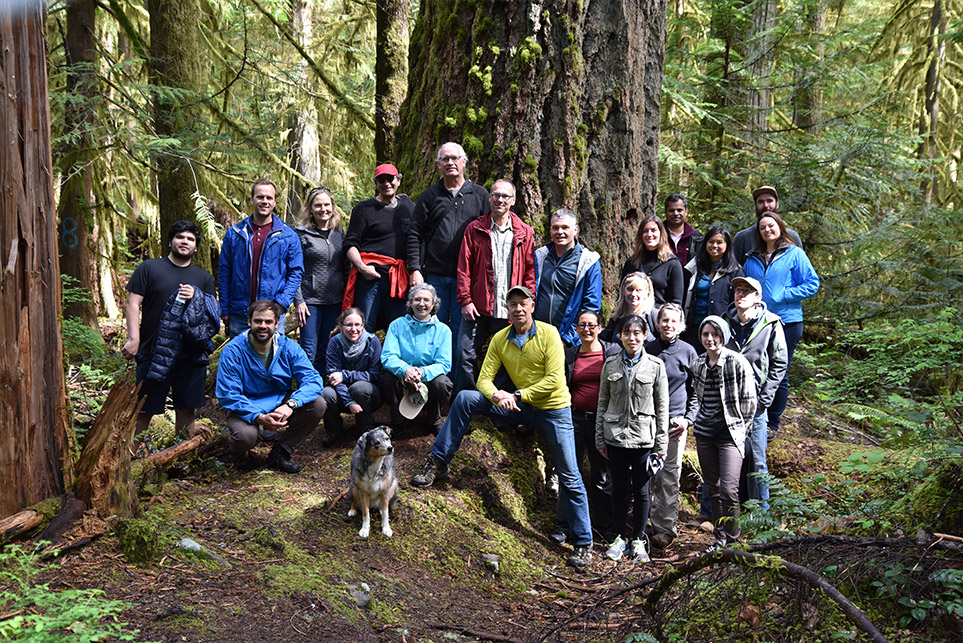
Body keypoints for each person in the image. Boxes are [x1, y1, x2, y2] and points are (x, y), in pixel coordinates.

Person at [411, 286, 595, 569]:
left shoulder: (549, 335)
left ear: (532, 306)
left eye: (523, 304)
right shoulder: (501, 338)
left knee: (569, 473)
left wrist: (517, 395)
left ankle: (583, 542)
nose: (518, 309)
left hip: (552, 410)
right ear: (507, 310)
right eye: (513, 305)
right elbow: (484, 378)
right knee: (465, 398)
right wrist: (497, 395)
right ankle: (438, 462)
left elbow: (554, 382)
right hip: (515, 405)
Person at [122, 221, 218, 441]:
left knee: (186, 408)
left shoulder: (203, 278)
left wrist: (198, 297)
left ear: (195, 247)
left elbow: (212, 314)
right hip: (153, 351)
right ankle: (129, 461)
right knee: (144, 409)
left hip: (191, 353)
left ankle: (180, 460)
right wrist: (133, 339)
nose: (185, 242)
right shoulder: (149, 268)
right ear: (170, 241)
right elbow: (133, 304)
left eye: (190, 239)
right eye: (180, 237)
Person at [215, 300, 326, 473]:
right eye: (258, 321)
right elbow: (229, 394)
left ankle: (281, 452)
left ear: (276, 324)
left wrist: (291, 405)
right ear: (249, 322)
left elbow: (313, 380)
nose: (263, 326)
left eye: (268, 322)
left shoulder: (288, 347)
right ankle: (242, 456)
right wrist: (259, 417)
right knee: (245, 436)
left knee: (318, 404)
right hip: (247, 405)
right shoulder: (233, 351)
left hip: (280, 401)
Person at [596, 315, 669, 564]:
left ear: (646, 336)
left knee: (641, 491)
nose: (632, 338)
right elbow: (602, 402)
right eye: (627, 333)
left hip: (643, 439)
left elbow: (662, 408)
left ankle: (638, 540)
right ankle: (619, 538)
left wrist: (661, 445)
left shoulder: (656, 366)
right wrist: (600, 438)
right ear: (621, 336)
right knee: (618, 489)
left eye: (637, 333)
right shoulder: (610, 364)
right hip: (615, 437)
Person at [407, 142, 491, 353]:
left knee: (461, 333)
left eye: (455, 158)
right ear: (438, 165)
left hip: (468, 279)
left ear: (464, 162)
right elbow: (414, 233)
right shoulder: (429, 196)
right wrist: (414, 269)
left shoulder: (480, 195)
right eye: (445, 159)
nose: (450, 163)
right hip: (435, 276)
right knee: (432, 330)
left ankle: (456, 381)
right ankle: (435, 380)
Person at [743, 211, 819, 437]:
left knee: (779, 371)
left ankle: (773, 422)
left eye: (771, 226)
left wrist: (784, 294)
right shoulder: (752, 258)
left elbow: (812, 284)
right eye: (763, 227)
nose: (768, 230)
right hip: (759, 321)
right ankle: (753, 416)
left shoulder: (795, 253)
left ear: (780, 227)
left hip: (787, 321)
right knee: (756, 369)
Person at [683, 316, 757, 550]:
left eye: (715, 334)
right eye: (705, 334)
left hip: (730, 435)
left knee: (729, 489)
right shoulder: (698, 363)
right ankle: (720, 538)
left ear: (723, 336)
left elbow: (749, 402)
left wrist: (741, 429)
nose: (710, 339)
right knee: (712, 488)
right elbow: (696, 395)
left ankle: (734, 542)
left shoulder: (737, 362)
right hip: (705, 434)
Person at [456, 178, 535, 390]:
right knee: (465, 353)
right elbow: (464, 268)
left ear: (513, 200)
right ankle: (469, 400)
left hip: (510, 309)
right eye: (496, 195)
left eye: (505, 196)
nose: (500, 200)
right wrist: (465, 300)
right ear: (490, 198)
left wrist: (527, 303)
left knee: (508, 361)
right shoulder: (475, 229)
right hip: (478, 307)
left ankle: (498, 406)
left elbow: (529, 271)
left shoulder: (524, 232)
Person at [550, 310, 621, 545]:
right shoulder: (570, 355)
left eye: (591, 325)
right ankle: (564, 525)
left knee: (601, 476)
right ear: (577, 329)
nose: (587, 329)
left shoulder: (612, 352)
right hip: (574, 420)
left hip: (603, 423)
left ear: (599, 328)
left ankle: (604, 527)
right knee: (570, 473)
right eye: (582, 325)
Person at [724, 277, 788, 509]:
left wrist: (765, 398)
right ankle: (715, 510)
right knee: (725, 457)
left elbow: (780, 363)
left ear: (757, 297)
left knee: (758, 460)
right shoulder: (725, 321)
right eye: (738, 290)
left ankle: (763, 512)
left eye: (747, 291)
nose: (740, 295)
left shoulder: (771, 323)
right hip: (728, 402)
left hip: (757, 403)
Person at [219, 179, 304, 337]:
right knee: (240, 360)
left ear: (274, 202)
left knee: (271, 360)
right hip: (240, 313)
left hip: (271, 315)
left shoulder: (288, 236)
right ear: (252, 200)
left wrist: (280, 304)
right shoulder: (235, 233)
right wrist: (224, 308)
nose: (264, 201)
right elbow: (225, 271)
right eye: (260, 197)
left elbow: (296, 273)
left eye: (269, 198)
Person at [644, 303, 697, 551]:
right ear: (657, 322)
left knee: (668, 475)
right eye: (664, 320)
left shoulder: (688, 352)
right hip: (646, 418)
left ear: (681, 325)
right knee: (644, 471)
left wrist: (688, 419)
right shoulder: (647, 349)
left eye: (674, 321)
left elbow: (697, 392)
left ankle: (664, 528)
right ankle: (641, 521)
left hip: (675, 421)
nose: (668, 325)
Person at [343, 163, 414, 331]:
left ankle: (393, 358)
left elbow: (418, 238)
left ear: (398, 181)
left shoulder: (408, 207)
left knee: (400, 328)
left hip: (398, 278)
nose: (386, 183)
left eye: (390, 179)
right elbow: (350, 244)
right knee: (363, 326)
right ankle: (362, 357)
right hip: (370, 278)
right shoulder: (363, 209)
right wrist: (362, 268)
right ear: (376, 183)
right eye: (381, 180)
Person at [381, 284, 453, 434]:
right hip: (403, 377)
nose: (421, 304)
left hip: (428, 378)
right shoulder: (397, 325)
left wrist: (422, 372)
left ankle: (434, 418)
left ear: (433, 304)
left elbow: (444, 363)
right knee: (387, 379)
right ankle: (399, 420)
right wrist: (405, 370)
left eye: (426, 300)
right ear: (410, 303)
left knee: (443, 383)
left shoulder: (443, 330)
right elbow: (388, 356)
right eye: (417, 299)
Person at [293, 186, 346, 371]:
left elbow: (345, 266)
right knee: (309, 349)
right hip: (310, 302)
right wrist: (299, 301)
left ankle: (323, 392)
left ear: (333, 206)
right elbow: (293, 270)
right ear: (310, 209)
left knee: (327, 346)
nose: (323, 209)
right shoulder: (300, 234)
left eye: (327, 205)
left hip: (335, 300)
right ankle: (306, 391)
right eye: (318, 206)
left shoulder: (339, 233)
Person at [534, 209, 603, 347]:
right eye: (555, 228)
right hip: (538, 336)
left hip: (569, 341)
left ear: (575, 230)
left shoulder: (588, 261)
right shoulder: (540, 256)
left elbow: (591, 305)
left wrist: (567, 340)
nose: (560, 232)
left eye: (565, 227)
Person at [319, 307, 383, 447]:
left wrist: (345, 375)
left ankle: (366, 428)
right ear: (341, 326)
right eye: (349, 325)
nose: (353, 329)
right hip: (341, 394)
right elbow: (333, 376)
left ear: (363, 325)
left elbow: (373, 375)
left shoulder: (372, 341)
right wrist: (349, 402)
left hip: (368, 393)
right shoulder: (334, 342)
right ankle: (334, 431)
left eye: (357, 325)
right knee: (326, 393)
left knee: (359, 387)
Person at [682, 225, 742, 349]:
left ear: (727, 245)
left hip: (719, 329)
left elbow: (737, 303)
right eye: (711, 242)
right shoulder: (694, 266)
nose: (714, 246)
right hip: (692, 328)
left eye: (719, 242)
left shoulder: (735, 271)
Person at [620, 215, 685, 311]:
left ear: (661, 234)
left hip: (660, 319)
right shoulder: (631, 263)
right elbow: (622, 296)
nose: (649, 234)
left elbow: (676, 303)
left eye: (653, 230)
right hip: (633, 318)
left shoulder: (672, 264)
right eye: (645, 231)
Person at [731, 186, 803, 265]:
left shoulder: (792, 237)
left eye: (769, 201)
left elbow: (802, 271)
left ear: (777, 204)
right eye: (761, 202)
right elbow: (734, 270)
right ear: (756, 206)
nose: (765, 205)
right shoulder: (743, 238)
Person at [600, 272, 656, 346]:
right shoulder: (617, 314)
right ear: (623, 290)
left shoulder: (653, 315)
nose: (633, 294)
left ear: (647, 292)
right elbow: (604, 339)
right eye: (630, 289)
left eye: (638, 290)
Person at [663, 194, 703, 264]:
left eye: (679, 210)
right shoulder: (657, 235)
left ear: (686, 211)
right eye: (671, 210)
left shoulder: (697, 238)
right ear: (665, 212)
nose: (675, 213)